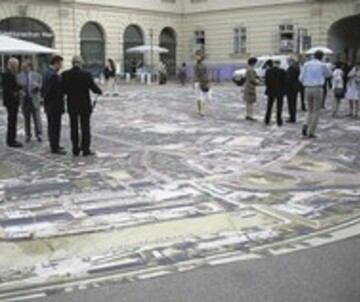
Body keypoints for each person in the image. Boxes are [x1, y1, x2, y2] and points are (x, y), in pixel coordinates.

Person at [62, 55, 102, 156]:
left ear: (72, 63)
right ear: (81, 63)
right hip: (84, 105)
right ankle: (85, 149)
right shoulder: (86, 74)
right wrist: (99, 91)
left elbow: (63, 90)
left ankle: (75, 148)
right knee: (85, 127)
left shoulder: (65, 74)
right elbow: (94, 88)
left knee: (74, 127)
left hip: (72, 105)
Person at [299, 50, 331, 138]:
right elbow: (328, 75)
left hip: (307, 88)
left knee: (309, 109)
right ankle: (311, 131)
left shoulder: (306, 64)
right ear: (321, 57)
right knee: (316, 110)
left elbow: (301, 78)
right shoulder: (322, 65)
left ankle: (305, 123)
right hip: (318, 87)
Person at [42, 55, 66, 154]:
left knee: (52, 126)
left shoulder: (47, 72)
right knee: (55, 127)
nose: (62, 65)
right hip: (54, 105)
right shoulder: (54, 75)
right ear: (56, 63)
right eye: (61, 63)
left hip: (49, 105)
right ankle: (55, 147)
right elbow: (54, 92)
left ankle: (54, 145)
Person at [17, 60, 43, 143]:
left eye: (25, 66)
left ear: (29, 67)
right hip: (25, 100)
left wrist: (38, 86)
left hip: (34, 99)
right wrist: (20, 92)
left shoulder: (37, 75)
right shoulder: (19, 76)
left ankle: (38, 134)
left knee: (37, 118)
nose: (23, 68)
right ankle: (28, 135)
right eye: (22, 67)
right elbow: (17, 88)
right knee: (26, 119)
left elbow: (41, 86)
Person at [2, 57, 23, 148]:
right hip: (11, 101)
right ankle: (11, 140)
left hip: (12, 101)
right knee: (12, 121)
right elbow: (8, 89)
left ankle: (12, 139)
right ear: (12, 65)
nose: (17, 67)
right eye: (16, 65)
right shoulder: (7, 74)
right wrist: (17, 92)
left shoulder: (11, 74)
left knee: (13, 121)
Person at [264, 60, 286, 126]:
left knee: (269, 106)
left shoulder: (268, 71)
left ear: (274, 64)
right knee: (279, 106)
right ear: (279, 64)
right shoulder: (282, 71)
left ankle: (267, 119)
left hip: (271, 91)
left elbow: (266, 82)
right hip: (280, 91)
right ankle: (279, 120)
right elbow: (284, 81)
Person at [193, 50, 210, 116]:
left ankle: (200, 110)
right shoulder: (201, 65)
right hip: (200, 82)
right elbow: (204, 75)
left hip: (198, 82)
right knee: (202, 97)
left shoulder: (198, 65)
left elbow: (197, 74)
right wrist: (206, 82)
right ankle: (201, 110)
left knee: (199, 96)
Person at [285, 57, 301, 123]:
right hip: (295, 87)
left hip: (290, 88)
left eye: (288, 61)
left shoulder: (291, 68)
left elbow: (289, 79)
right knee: (294, 102)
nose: (287, 62)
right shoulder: (297, 68)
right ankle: (293, 116)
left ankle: (292, 117)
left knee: (291, 103)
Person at [243, 57, 259, 121]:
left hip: (247, 87)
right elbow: (252, 79)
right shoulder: (251, 69)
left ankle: (247, 115)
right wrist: (258, 83)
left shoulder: (248, 69)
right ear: (253, 63)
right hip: (251, 87)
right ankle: (250, 116)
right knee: (250, 102)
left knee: (248, 102)